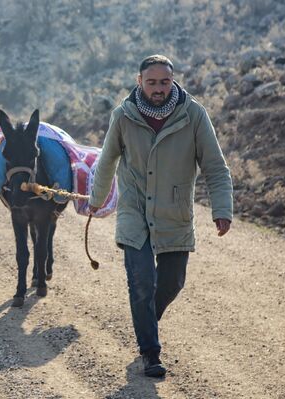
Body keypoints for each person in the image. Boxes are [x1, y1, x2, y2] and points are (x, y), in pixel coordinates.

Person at [89, 55, 233, 378]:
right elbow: (107, 161)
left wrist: (222, 209)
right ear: (139, 82)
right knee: (141, 282)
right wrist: (96, 200)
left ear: (173, 81)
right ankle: (150, 352)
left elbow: (215, 167)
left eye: (164, 82)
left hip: (174, 211)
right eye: (151, 82)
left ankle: (146, 322)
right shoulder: (123, 116)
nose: (158, 89)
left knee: (172, 282)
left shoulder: (194, 115)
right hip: (134, 212)